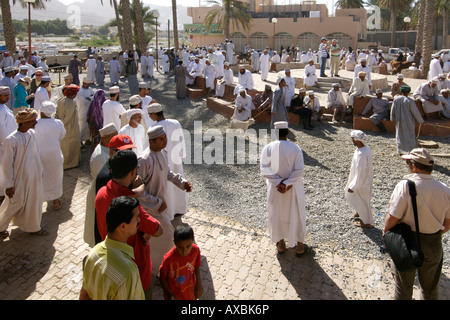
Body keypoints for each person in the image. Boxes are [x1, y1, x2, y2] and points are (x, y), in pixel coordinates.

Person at [383, 148, 450, 300]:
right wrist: (433, 233)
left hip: (407, 242)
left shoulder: (405, 186)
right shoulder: (445, 190)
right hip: (433, 243)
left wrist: (386, 232)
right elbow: (448, 223)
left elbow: (393, 216)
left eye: (408, 162)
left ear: (413, 165)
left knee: (403, 288)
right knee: (430, 289)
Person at [95, 150, 163, 298]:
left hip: (110, 260)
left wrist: (137, 191)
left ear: (112, 170)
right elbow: (157, 229)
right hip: (134, 268)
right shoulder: (131, 208)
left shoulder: (101, 193)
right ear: (133, 172)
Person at [137, 125, 193, 276]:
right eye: (161, 139)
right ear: (152, 141)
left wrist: (182, 183)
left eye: (165, 138)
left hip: (161, 207)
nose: (165, 141)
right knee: (168, 238)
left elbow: (167, 173)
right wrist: (157, 203)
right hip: (151, 209)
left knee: (156, 242)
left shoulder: (162, 152)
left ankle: (157, 270)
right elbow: (137, 190)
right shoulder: (144, 160)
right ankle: (164, 271)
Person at [80, 196, 147, 300]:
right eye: (136, 218)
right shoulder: (128, 273)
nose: (139, 220)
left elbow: (85, 293)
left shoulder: (94, 253)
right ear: (123, 227)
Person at [260, 121, 310, 256]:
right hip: (293, 188)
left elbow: (264, 169)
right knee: (297, 214)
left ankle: (281, 244)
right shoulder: (295, 148)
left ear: (275, 133)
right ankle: (299, 247)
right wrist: (287, 184)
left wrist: (278, 182)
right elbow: (299, 170)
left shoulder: (268, 148)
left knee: (277, 214)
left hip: (276, 189)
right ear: (288, 133)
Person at [0, 109, 46, 239]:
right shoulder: (11, 140)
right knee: (12, 205)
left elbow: (36, 155)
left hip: (33, 177)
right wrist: (9, 185)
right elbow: (6, 164)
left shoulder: (31, 133)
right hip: (19, 180)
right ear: (24, 123)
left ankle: (33, 227)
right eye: (32, 121)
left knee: (33, 203)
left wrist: (39, 172)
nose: (35, 123)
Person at [147, 104, 188, 222]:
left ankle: (169, 212)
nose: (150, 117)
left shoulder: (154, 128)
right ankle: (179, 209)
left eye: (150, 115)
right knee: (176, 184)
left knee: (167, 187)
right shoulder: (175, 123)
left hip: (162, 162)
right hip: (176, 160)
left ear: (154, 114)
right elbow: (181, 140)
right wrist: (182, 156)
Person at [84, 123, 118, 248]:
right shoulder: (99, 155)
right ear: (105, 138)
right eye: (114, 136)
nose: (116, 138)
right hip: (100, 192)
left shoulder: (109, 149)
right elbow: (102, 180)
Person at [34, 101, 66, 211]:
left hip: (39, 156)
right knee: (55, 178)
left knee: (41, 179)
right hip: (54, 156)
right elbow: (62, 136)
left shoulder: (35, 123)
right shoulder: (58, 123)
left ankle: (39, 201)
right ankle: (55, 201)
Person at [159, 223, 203, 300]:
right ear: (174, 242)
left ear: (193, 239)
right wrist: (169, 293)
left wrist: (199, 283)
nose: (184, 251)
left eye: (188, 246)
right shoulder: (168, 259)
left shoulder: (195, 250)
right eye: (180, 247)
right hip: (175, 296)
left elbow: (197, 266)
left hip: (190, 292)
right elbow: (162, 277)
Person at [344, 130, 374, 229]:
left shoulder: (362, 154)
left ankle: (366, 222)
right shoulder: (365, 149)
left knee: (359, 197)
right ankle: (359, 211)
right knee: (360, 198)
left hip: (361, 181)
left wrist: (353, 186)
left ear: (355, 140)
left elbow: (360, 172)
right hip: (360, 179)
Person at [390, 85, 424, 155]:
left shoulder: (396, 99)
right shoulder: (410, 101)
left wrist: (392, 118)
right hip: (409, 121)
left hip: (399, 121)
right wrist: (420, 121)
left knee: (400, 135)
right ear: (408, 92)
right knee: (410, 135)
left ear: (401, 91)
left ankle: (400, 150)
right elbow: (415, 112)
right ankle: (410, 150)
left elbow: (392, 110)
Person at [55, 84, 81, 170]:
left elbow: (57, 114)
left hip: (62, 126)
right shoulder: (71, 103)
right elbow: (67, 118)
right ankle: (70, 164)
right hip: (70, 128)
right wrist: (61, 124)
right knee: (71, 145)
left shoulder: (61, 100)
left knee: (64, 146)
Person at [0, 87, 17, 203]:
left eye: (8, 95)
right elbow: (2, 130)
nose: (8, 97)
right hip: (4, 146)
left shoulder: (3, 107)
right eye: (5, 95)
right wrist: (7, 145)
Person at [76, 78, 95, 144]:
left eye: (89, 84)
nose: (88, 85)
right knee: (82, 126)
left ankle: (87, 139)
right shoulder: (79, 91)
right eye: (87, 84)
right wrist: (90, 99)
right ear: (83, 83)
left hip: (89, 111)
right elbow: (83, 102)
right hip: (82, 112)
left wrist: (89, 98)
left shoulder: (90, 89)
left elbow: (93, 97)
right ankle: (80, 141)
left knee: (88, 126)